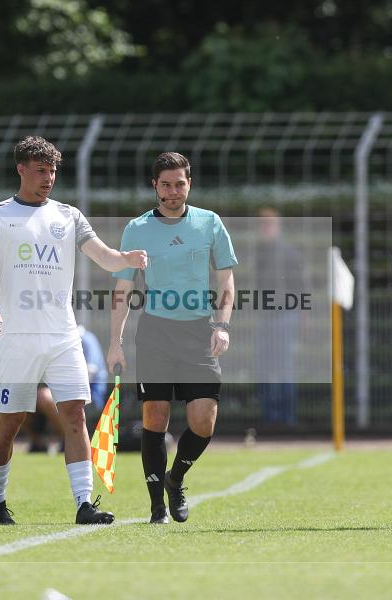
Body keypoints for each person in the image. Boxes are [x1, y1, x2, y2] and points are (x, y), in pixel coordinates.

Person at [0, 136, 147, 526]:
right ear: (21, 169)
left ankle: (85, 503)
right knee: (10, 422)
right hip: (16, 338)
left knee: (75, 415)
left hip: (63, 337)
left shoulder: (69, 216)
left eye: (52, 171)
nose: (48, 178)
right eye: (40, 171)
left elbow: (103, 256)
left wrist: (126, 258)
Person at [108, 152, 237, 524]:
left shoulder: (209, 223)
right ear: (155, 186)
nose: (173, 191)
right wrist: (115, 342)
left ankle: (175, 478)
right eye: (165, 184)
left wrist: (222, 326)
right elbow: (122, 289)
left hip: (199, 331)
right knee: (155, 415)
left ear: (189, 184)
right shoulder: (137, 228)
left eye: (180, 184)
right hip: (155, 332)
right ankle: (156, 508)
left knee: (204, 420)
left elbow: (226, 279)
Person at [254, 207, 305, 426]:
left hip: (285, 316)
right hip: (266, 317)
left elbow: (301, 287)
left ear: (278, 226)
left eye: (269, 224)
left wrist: (301, 317)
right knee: (264, 367)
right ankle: (271, 418)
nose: (265, 229)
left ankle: (287, 419)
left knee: (284, 368)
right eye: (262, 225)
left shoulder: (289, 253)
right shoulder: (259, 254)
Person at [27, 326, 108, 453]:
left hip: (90, 397)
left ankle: (71, 442)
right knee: (24, 397)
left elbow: (89, 374)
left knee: (44, 396)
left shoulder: (86, 339)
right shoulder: (58, 340)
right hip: (65, 393)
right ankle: (38, 444)